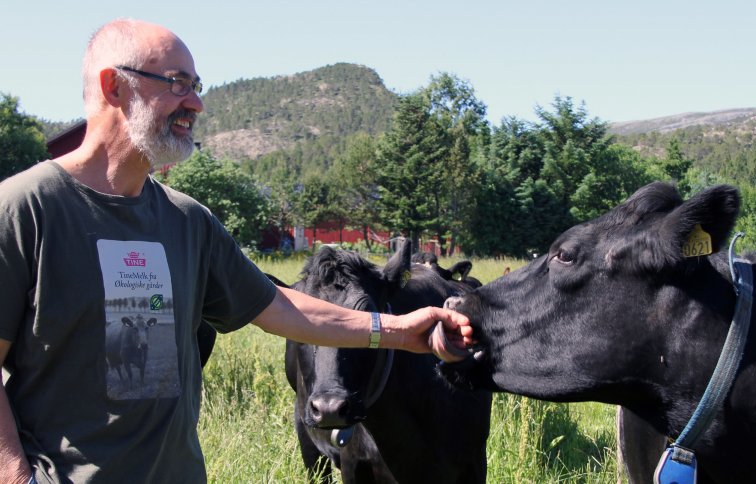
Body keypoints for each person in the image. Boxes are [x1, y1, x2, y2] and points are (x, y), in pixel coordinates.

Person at [0, 18, 472, 484]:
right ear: (114, 86)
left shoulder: (188, 221)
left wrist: (400, 330)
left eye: (197, 85)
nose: (197, 103)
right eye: (178, 83)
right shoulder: (26, 209)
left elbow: (281, 306)